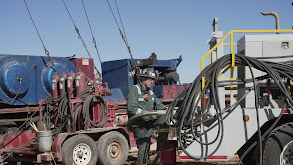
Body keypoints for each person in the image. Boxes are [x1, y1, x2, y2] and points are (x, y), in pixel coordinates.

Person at [127, 68, 172, 165]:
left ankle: (162, 143)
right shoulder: (135, 90)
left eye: (153, 80)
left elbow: (158, 105)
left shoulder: (150, 93)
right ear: (143, 79)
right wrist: (145, 113)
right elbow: (132, 108)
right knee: (144, 149)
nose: (152, 82)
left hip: (148, 122)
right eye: (150, 79)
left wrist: (168, 109)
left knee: (165, 118)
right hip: (139, 124)